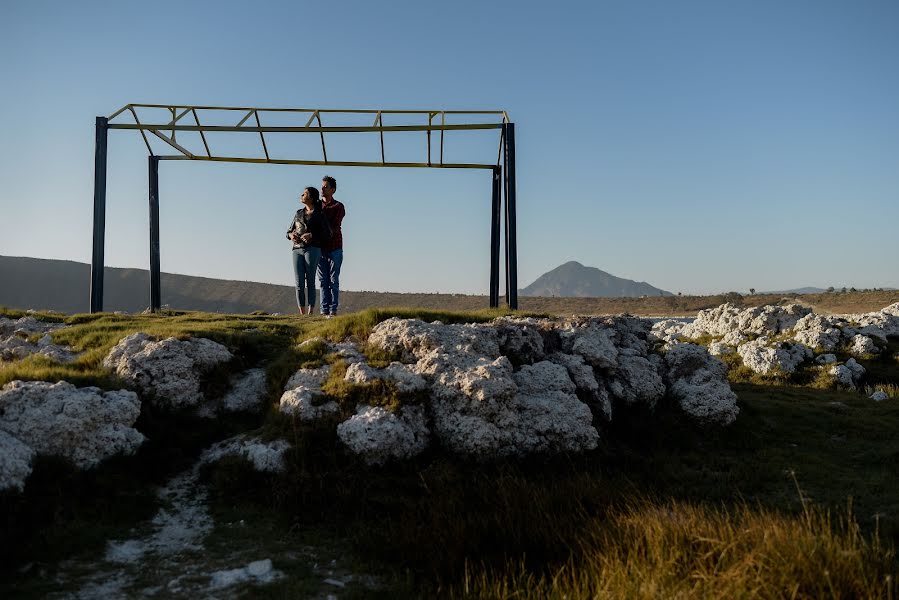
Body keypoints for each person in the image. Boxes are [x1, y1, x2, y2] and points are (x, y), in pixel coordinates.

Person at [287, 187, 330, 315]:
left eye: (304, 194)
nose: (301, 195)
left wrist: (311, 235)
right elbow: (288, 231)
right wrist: (291, 236)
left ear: (311, 198)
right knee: (299, 282)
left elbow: (327, 233)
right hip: (297, 249)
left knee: (310, 280)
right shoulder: (298, 213)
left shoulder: (320, 214)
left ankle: (311, 312)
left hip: (313, 249)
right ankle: (302, 313)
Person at [317, 175, 346, 318]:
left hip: (335, 247)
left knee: (334, 280)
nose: (322, 188)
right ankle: (324, 311)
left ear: (333, 190)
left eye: (325, 186)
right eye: (321, 186)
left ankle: (333, 310)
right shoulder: (316, 206)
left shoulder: (338, 206)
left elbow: (334, 226)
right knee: (323, 281)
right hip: (320, 249)